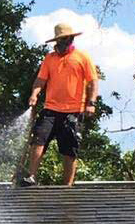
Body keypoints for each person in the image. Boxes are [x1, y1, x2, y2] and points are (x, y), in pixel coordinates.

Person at [22, 23, 99, 187]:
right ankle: (32, 177)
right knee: (38, 139)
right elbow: (41, 79)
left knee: (70, 149)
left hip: (73, 110)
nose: (60, 43)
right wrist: (34, 94)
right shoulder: (50, 58)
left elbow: (93, 82)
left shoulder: (82, 57)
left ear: (70, 39)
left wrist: (91, 103)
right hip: (50, 109)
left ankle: (67, 186)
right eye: (58, 40)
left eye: (64, 39)